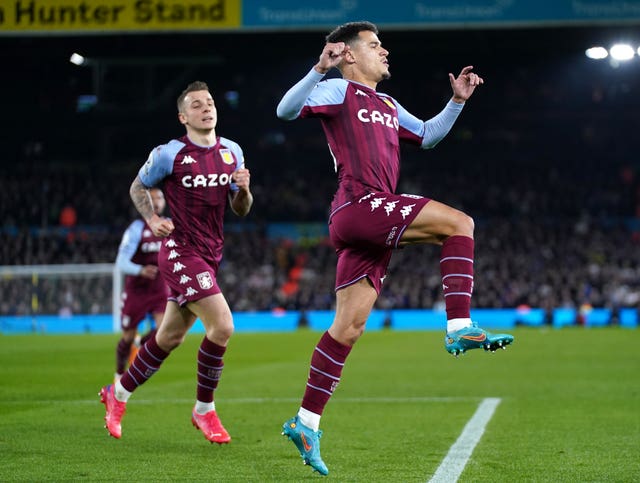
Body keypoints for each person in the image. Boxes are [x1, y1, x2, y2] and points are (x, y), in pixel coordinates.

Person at [276, 21, 514, 475]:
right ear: (347, 55)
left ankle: (306, 422)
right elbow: (286, 111)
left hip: (366, 221)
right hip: (360, 204)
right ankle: (459, 324)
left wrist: (457, 102)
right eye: (374, 45)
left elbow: (427, 135)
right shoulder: (335, 91)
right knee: (460, 223)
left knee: (348, 327)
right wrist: (316, 69)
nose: (384, 51)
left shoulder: (386, 102)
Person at [99, 81, 253, 444]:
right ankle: (204, 410)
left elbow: (241, 209)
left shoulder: (232, 152)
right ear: (184, 116)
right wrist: (152, 219)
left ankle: (117, 394)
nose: (206, 108)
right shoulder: (169, 154)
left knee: (169, 337)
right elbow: (137, 186)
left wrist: (244, 190)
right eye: (197, 105)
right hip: (179, 252)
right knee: (223, 326)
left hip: (211, 253)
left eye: (210, 102)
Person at [113, 187, 169, 383]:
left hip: (160, 290)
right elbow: (121, 262)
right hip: (136, 290)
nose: (156, 202)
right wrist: (140, 270)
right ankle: (119, 373)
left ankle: (142, 345)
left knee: (165, 333)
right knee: (126, 338)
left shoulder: (171, 226)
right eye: (151, 198)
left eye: (159, 197)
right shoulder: (137, 228)